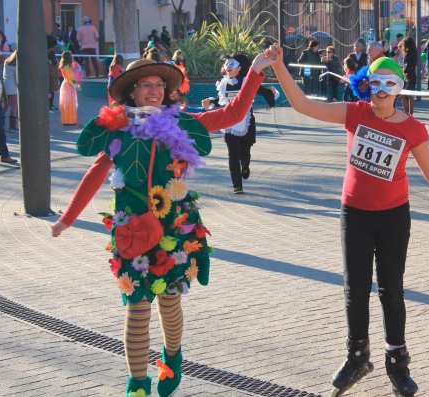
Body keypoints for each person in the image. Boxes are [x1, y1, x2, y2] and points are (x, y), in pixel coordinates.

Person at [51, 49, 277, 397]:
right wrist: (67, 219)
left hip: (175, 227)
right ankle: (137, 384)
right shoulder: (119, 129)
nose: (154, 91)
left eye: (159, 84)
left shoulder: (182, 122)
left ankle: (172, 356)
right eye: (146, 85)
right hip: (131, 230)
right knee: (137, 305)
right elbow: (96, 173)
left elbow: (233, 112)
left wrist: (256, 72)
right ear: (132, 91)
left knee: (170, 302)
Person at [267, 42, 429, 397]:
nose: (383, 92)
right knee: (355, 290)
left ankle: (397, 362)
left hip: (393, 218)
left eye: (391, 84)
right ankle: (357, 356)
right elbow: (303, 105)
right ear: (365, 84)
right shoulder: (355, 113)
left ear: (400, 88)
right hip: (353, 214)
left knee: (391, 291)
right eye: (377, 83)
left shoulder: (413, 129)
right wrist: (277, 67)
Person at [201, 54, 279, 194]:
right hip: (229, 122)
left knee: (245, 151)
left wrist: (271, 94)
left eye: (232, 65)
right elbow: (220, 100)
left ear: (239, 68)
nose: (229, 67)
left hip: (246, 121)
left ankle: (245, 165)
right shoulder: (223, 84)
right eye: (227, 65)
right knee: (233, 154)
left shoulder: (245, 81)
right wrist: (210, 102)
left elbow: (261, 91)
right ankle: (237, 185)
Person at [58, 51, 78, 125]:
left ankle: (66, 120)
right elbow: (70, 79)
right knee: (70, 103)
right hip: (69, 86)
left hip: (66, 85)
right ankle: (70, 120)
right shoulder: (68, 68)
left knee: (66, 103)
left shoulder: (65, 67)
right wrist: (76, 86)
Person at [400, 37, 417, 114]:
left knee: (403, 94)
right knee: (410, 94)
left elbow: (407, 65)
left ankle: (407, 111)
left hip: (408, 74)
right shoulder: (414, 52)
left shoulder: (407, 53)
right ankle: (410, 111)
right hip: (412, 74)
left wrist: (403, 70)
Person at [2, 50, 18, 132]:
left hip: (5, 86)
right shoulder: (16, 66)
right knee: (14, 106)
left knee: (5, 105)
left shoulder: (7, 62)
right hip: (13, 88)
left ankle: (1, 124)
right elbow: (17, 79)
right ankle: (12, 127)